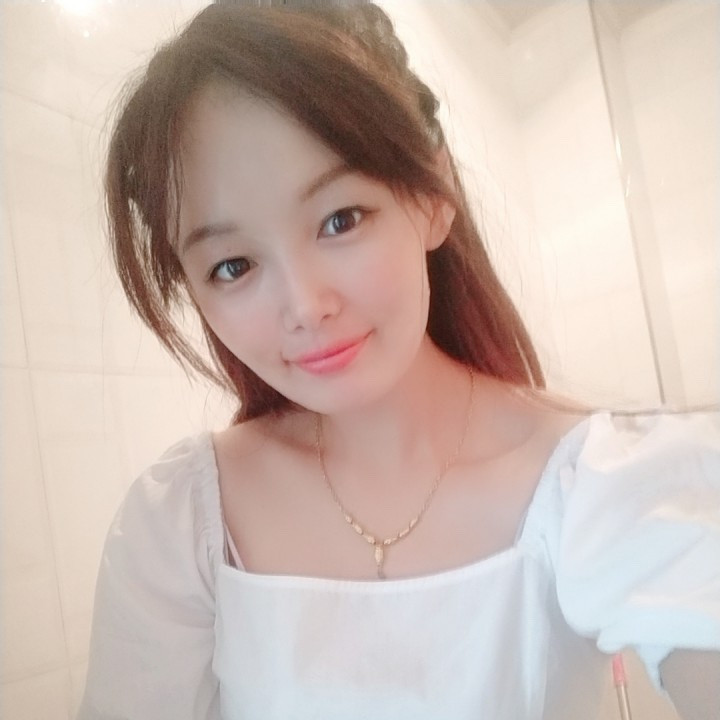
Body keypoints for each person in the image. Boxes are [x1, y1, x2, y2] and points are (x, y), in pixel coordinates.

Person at [78, 3, 719, 719]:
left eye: (340, 220)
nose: (305, 306)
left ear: (432, 196)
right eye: (233, 266)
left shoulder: (599, 481)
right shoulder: (183, 523)